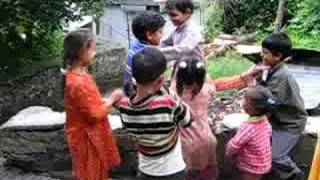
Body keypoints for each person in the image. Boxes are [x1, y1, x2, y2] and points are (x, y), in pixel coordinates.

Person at [115, 47, 192, 180]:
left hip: (145, 170)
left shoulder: (124, 108)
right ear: (160, 80)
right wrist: (173, 95)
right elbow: (188, 120)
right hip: (172, 171)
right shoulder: (168, 103)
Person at [62, 29, 121, 180]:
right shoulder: (78, 82)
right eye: (93, 49)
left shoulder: (77, 75)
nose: (95, 53)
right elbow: (95, 114)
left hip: (85, 134)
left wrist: (103, 101)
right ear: (82, 50)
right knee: (91, 173)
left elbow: (86, 103)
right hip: (87, 138)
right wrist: (112, 99)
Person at [257, 33, 307, 180]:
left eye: (265, 53)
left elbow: (269, 103)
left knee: (273, 157)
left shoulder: (281, 76)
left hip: (290, 124)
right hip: (279, 120)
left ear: (278, 56)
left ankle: (295, 174)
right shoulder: (273, 69)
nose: (261, 55)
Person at [174, 59, 218, 180]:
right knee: (207, 174)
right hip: (207, 140)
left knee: (189, 175)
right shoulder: (206, 90)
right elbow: (211, 84)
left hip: (185, 144)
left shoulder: (173, 93)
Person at [226, 86, 273, 180]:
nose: (242, 100)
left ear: (251, 107)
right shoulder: (264, 120)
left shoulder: (247, 127)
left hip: (252, 167)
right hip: (263, 162)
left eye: (244, 98)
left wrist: (229, 154)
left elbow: (234, 145)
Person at [124, 11, 166, 97]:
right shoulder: (149, 56)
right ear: (149, 34)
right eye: (160, 32)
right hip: (138, 92)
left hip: (128, 88)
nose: (162, 35)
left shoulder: (135, 43)